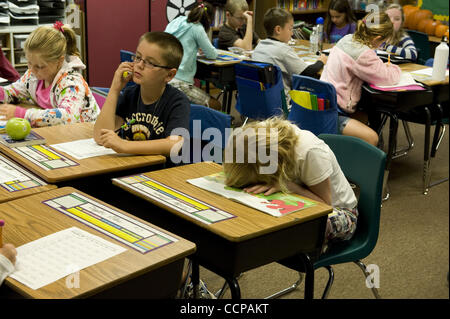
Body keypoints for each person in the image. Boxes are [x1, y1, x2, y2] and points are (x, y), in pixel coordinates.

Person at [223, 117, 359, 251]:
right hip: (297, 199)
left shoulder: (310, 153)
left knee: (304, 227)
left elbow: (324, 206)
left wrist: (288, 186)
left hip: (340, 212)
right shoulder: (254, 137)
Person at [93, 32, 190, 158]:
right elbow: (101, 137)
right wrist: (115, 89)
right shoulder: (130, 95)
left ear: (169, 75)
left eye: (150, 63)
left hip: (160, 173)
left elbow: (175, 144)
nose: (139, 65)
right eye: (138, 57)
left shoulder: (177, 101)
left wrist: (125, 145)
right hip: (129, 168)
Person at [320, 11, 401, 146]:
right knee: (372, 137)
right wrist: (395, 68)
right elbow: (387, 77)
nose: (382, 46)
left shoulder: (347, 38)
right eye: (383, 42)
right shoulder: (363, 54)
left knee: (364, 115)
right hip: (333, 112)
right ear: (377, 38)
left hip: (323, 103)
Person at [0, 22, 99, 127]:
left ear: (59, 61)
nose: (32, 70)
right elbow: (13, 92)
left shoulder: (71, 83)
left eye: (40, 66)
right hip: (58, 133)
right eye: (29, 63)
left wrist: (24, 114)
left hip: (85, 134)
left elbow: (68, 116)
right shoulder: (33, 76)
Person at [252, 8, 327, 102]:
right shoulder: (282, 50)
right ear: (278, 30)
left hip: (259, 101)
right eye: (290, 29)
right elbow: (308, 72)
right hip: (282, 104)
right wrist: (321, 61)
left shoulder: (259, 46)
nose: (292, 33)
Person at [165, 2, 221, 110]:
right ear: (209, 20)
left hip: (165, 77)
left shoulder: (178, 20)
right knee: (216, 105)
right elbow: (212, 54)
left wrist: (194, 47)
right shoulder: (197, 28)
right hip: (180, 83)